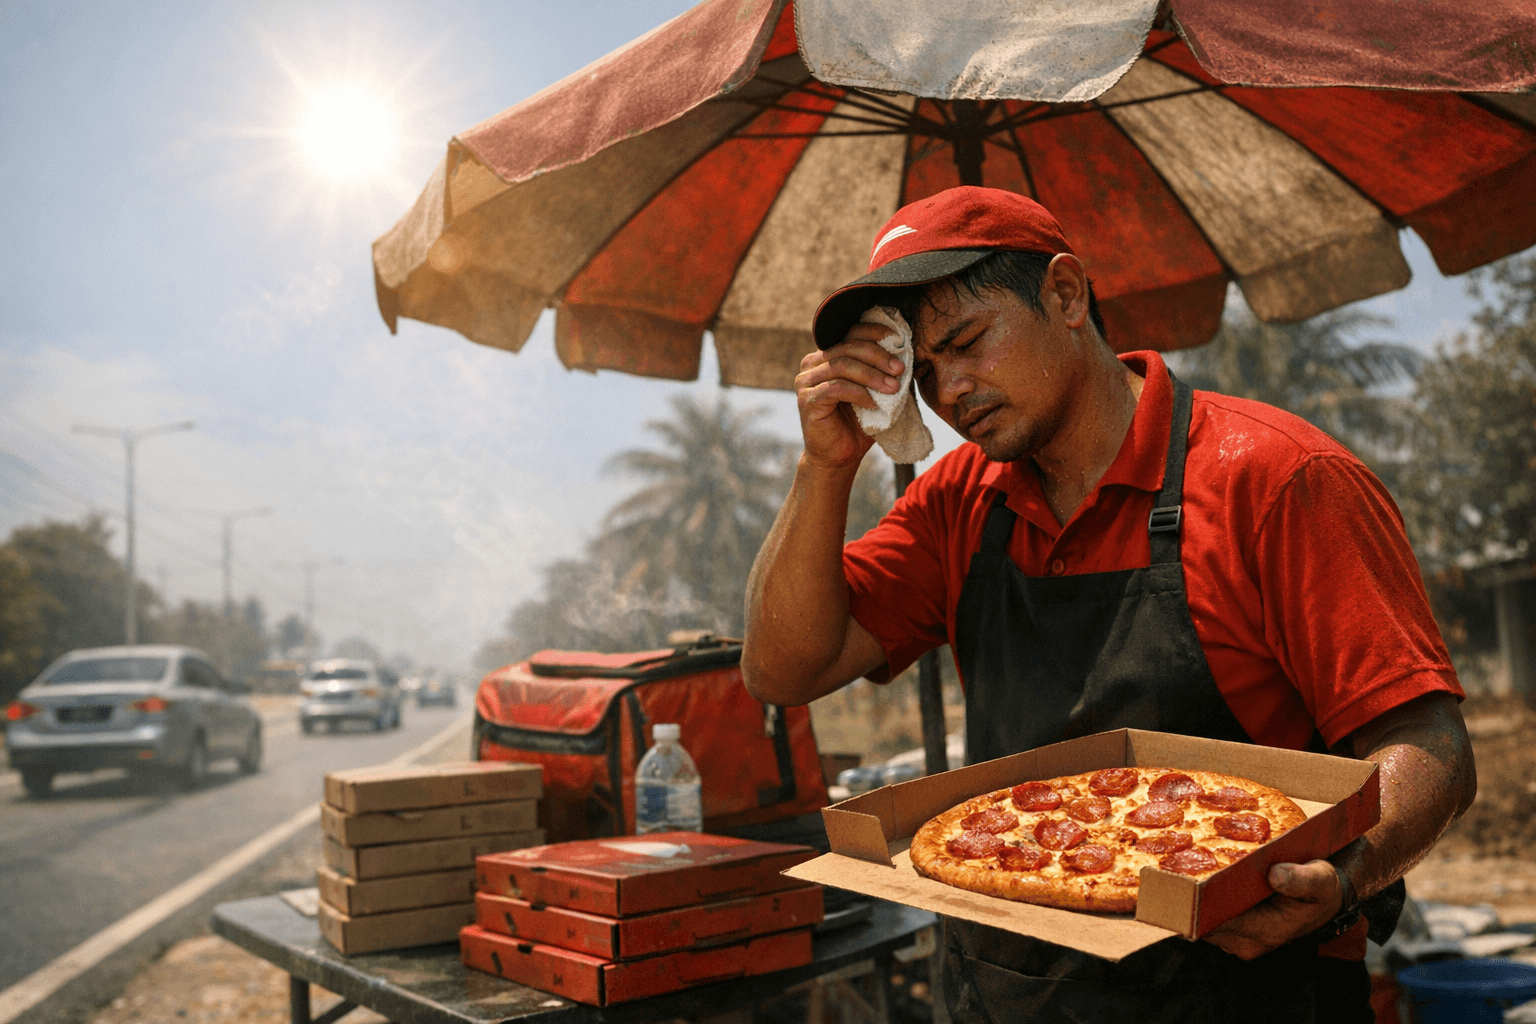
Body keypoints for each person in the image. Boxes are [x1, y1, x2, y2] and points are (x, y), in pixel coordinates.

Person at [741, 186, 1476, 1023]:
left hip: (1241, 984)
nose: (951, 393)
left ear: (1064, 294)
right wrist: (824, 467)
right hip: (1008, 990)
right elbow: (781, 670)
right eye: (926, 372)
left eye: (968, 341)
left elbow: (1429, 742)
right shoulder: (958, 505)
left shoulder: (1272, 479)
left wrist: (1345, 878)